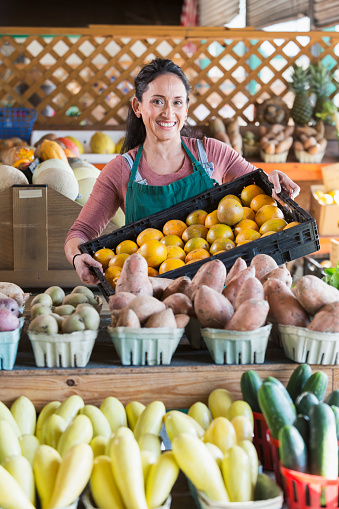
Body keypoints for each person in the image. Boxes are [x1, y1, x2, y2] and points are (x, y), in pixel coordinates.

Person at [64, 58, 300, 285]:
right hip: (151, 293)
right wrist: (77, 257)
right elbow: (81, 232)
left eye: (177, 102)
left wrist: (274, 179)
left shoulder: (213, 153)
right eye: (157, 101)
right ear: (138, 107)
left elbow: (260, 191)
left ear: (186, 109)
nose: (168, 113)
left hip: (221, 290)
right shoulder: (121, 169)